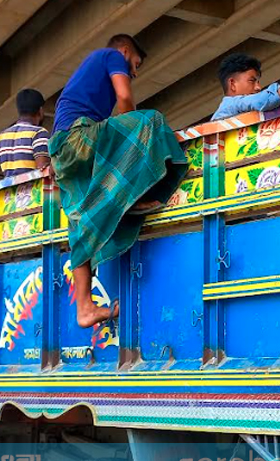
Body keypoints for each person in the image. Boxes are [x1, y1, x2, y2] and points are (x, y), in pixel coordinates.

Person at [50, 34, 187, 328]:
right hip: (79, 137)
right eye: (135, 64)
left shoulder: (85, 73)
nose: (135, 72)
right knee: (148, 120)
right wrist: (133, 133)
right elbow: (124, 97)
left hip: (62, 150)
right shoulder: (109, 55)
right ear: (125, 51)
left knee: (81, 220)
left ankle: (84, 307)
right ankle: (135, 196)